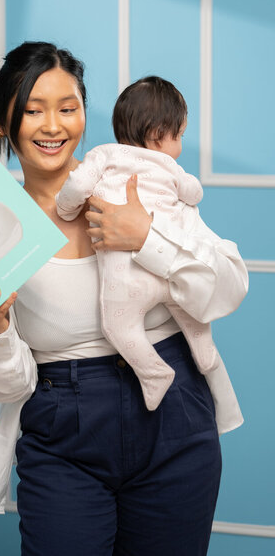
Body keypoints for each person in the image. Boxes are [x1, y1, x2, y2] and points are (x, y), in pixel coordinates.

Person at [0, 41, 248, 556]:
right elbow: (10, 387)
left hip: (174, 417)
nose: (53, 126)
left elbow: (227, 289)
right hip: (63, 430)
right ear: (4, 124)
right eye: (33, 110)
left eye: (67, 109)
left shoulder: (135, 182)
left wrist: (147, 239)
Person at [55, 76, 220, 412]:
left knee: (117, 325)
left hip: (127, 279)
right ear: (160, 134)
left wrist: (65, 208)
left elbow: (77, 185)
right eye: (181, 135)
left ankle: (153, 372)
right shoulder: (171, 168)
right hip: (168, 271)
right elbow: (193, 192)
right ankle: (204, 350)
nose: (181, 145)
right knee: (186, 308)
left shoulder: (105, 155)